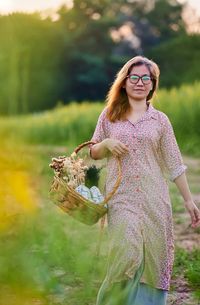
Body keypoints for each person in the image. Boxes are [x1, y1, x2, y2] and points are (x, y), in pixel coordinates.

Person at [89, 56, 200, 305]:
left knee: (153, 257)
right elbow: (93, 151)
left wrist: (189, 201)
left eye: (146, 78)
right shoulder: (109, 116)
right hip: (121, 197)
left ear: (152, 85)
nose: (140, 82)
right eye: (135, 77)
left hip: (154, 198)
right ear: (125, 82)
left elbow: (174, 163)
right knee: (127, 254)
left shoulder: (160, 121)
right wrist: (106, 144)